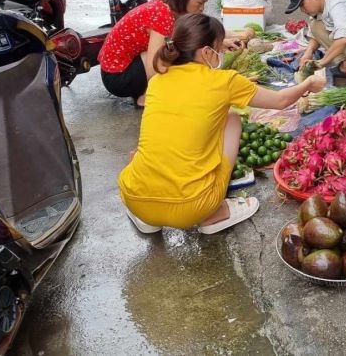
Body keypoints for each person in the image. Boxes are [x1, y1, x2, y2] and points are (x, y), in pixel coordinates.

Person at [118, 13, 327, 234]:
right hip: (193, 208)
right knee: (232, 118)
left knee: (144, 151)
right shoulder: (224, 81)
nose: (221, 54)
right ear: (207, 52)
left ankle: (151, 218)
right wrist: (308, 84)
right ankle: (215, 213)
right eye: (218, 49)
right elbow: (280, 100)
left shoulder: (157, 81)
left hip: (134, 199)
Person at [98, 0, 225, 107]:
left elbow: (197, 31)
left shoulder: (167, 5)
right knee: (170, 56)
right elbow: (154, 67)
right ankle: (146, 96)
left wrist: (223, 39)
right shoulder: (162, 16)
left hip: (118, 67)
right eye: (200, 3)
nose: (202, 8)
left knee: (175, 51)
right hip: (117, 78)